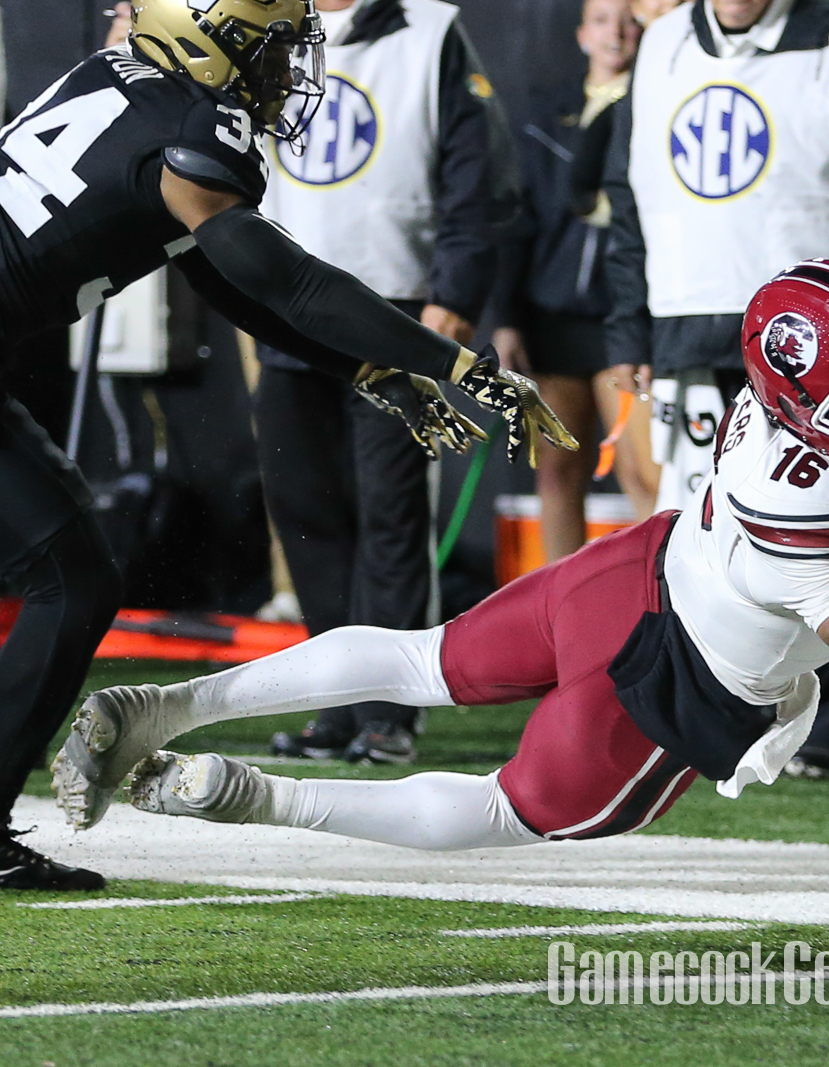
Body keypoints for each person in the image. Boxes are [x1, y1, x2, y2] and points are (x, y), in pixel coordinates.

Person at [55, 261, 829, 854]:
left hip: (636, 565)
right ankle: (260, 795)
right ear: (809, 413)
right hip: (671, 675)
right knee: (529, 814)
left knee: (423, 657)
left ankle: (171, 702)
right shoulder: (797, 497)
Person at [0, 0, 569, 890]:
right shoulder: (197, 119)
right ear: (207, 39)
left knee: (73, 570)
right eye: (268, 50)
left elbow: (227, 279)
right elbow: (286, 277)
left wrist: (366, 371)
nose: (285, 73)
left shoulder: (117, 80)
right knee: (70, 573)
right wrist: (451, 360)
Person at [604, 0, 829, 776]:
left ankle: (822, 726)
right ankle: (707, 720)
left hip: (826, 358)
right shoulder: (659, 44)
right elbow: (628, 196)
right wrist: (630, 327)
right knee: (697, 539)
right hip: (691, 326)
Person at [254, 0, 519, 766]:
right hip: (282, 309)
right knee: (305, 513)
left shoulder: (431, 30)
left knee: (391, 515)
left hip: (395, 309)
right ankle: (331, 704)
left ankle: (388, 709)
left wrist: (457, 296)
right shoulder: (260, 22)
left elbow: (480, 176)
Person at [489, 0, 654, 554]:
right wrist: (507, 318)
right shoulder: (544, 116)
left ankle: (671, 614)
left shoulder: (660, 102)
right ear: (583, 33)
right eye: (605, 20)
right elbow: (515, 219)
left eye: (630, 20)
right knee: (556, 473)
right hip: (551, 320)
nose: (618, 32)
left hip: (624, 321)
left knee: (643, 474)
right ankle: (556, 618)